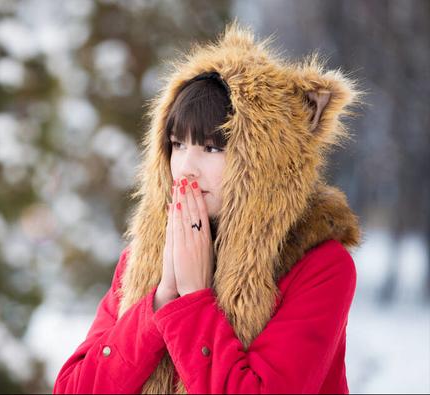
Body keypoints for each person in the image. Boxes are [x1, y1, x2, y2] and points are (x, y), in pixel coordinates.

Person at [53, 21, 363, 394]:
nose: (185, 167)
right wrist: (159, 301)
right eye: (177, 144)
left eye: (213, 148)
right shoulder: (143, 260)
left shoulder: (319, 267)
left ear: (265, 162)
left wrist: (194, 302)